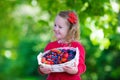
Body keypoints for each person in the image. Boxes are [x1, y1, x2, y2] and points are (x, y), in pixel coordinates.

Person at [38, 10, 86, 80]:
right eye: (55, 25)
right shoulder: (50, 46)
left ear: (70, 29)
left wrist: (75, 70)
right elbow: (44, 63)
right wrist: (42, 69)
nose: (56, 29)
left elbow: (82, 66)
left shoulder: (77, 47)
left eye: (60, 27)